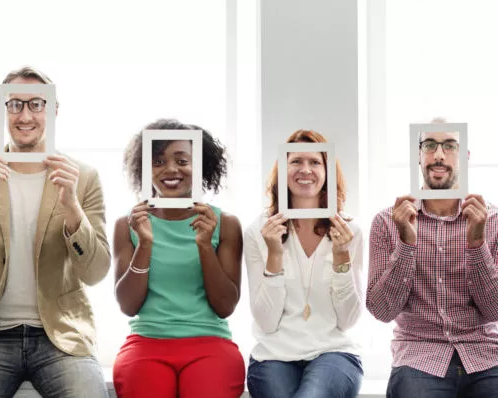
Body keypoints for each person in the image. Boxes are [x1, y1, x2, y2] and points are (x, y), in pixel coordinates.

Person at [0, 66, 110, 398]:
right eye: (15, 104)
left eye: (36, 104)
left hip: (60, 335)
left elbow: (96, 272)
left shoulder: (84, 177)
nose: (25, 115)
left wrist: (72, 207)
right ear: (2, 110)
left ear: (53, 111)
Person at [112, 119, 245, 398]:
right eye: (158, 161)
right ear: (145, 170)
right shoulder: (128, 225)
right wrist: (145, 244)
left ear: (201, 166)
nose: (170, 169)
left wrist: (205, 246)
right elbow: (128, 305)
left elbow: (225, 306)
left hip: (210, 343)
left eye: (182, 160)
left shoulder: (226, 224)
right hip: (147, 342)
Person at [367, 120, 498, 397]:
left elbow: (495, 310)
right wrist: (406, 244)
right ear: (418, 155)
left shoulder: (493, 221)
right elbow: (381, 311)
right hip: (418, 356)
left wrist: (477, 244)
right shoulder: (386, 221)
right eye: (429, 145)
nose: (439, 154)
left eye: (450, 145)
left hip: (486, 355)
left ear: (465, 157)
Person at [244, 129, 364, 398]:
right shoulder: (259, 231)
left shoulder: (350, 230)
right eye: (296, 161)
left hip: (334, 353)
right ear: (282, 170)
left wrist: (342, 254)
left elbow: (348, 320)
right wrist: (274, 254)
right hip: (273, 355)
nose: (305, 170)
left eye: (315, 162)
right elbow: (266, 322)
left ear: (327, 171)